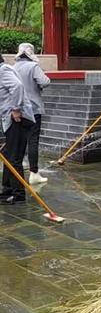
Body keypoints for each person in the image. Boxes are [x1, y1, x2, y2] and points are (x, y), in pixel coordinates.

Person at [0, 54, 35, 204]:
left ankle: (18, 194)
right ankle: (7, 190)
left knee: (14, 157)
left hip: (17, 119)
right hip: (10, 120)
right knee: (7, 155)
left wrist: (16, 109)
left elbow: (17, 86)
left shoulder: (3, 70)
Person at [14, 43, 51, 184]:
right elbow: (45, 81)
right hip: (33, 108)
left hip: (18, 109)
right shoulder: (33, 66)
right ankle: (34, 173)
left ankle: (21, 165)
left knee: (21, 138)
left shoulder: (14, 67)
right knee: (33, 140)